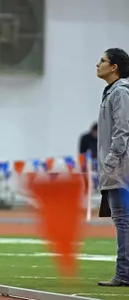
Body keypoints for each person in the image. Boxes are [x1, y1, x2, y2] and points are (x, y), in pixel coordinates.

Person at [96, 47, 129, 287]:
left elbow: (123, 128)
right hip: (117, 165)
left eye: (102, 60)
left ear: (114, 66)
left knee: (123, 220)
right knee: (122, 219)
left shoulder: (121, 92)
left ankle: (124, 273)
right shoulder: (111, 92)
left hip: (120, 166)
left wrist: (111, 160)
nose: (97, 64)